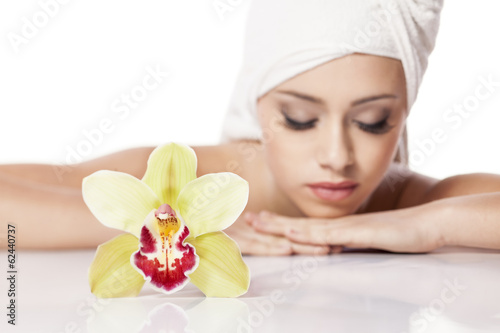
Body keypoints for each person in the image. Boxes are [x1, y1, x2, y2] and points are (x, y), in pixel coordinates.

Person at [2, 0, 500, 255]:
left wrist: (425, 226)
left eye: (373, 121)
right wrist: (158, 225)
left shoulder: (410, 203)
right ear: (258, 105)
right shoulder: (190, 179)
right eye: (300, 119)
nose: (337, 155)